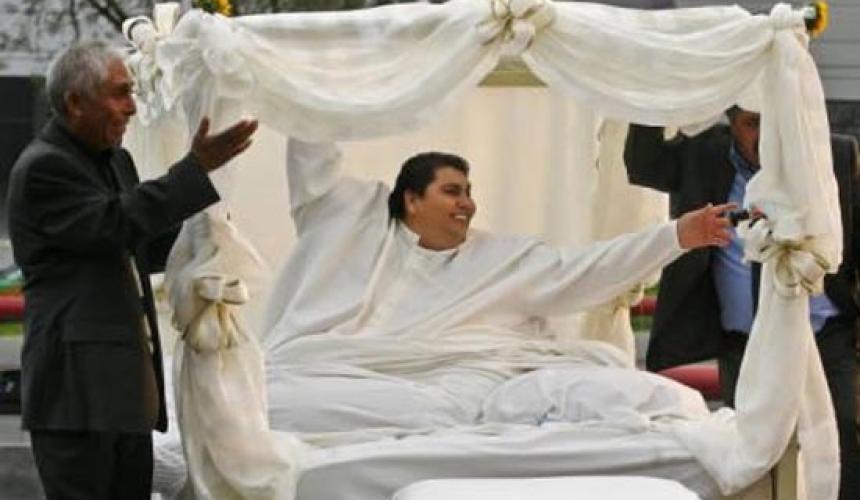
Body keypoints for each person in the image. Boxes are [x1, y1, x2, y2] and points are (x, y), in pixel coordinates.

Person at [259, 137, 732, 434]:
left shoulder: (503, 260)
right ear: (411, 200)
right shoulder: (352, 222)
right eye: (452, 191)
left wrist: (676, 236)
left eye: (469, 192)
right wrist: (317, 70)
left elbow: (588, 268)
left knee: (442, 412)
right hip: (328, 367)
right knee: (261, 399)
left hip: (455, 381)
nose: (467, 204)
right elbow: (313, 152)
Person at [5, 41, 257, 499]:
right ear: (75, 102)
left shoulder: (115, 161)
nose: (132, 108)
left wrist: (206, 233)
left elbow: (139, 243)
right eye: (120, 93)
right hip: (75, 396)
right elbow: (113, 225)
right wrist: (193, 172)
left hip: (123, 394)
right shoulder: (44, 168)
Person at [624, 107, 860, 500]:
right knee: (753, 451)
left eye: (775, 119)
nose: (766, 135)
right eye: (752, 123)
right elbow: (644, 165)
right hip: (745, 345)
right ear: (731, 124)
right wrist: (657, 91)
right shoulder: (704, 154)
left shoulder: (834, 154)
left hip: (824, 339)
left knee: (841, 440)